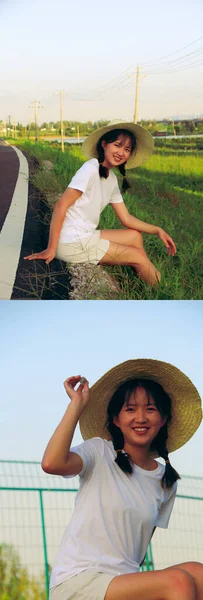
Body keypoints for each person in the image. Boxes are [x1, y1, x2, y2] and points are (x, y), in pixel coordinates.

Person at [42, 358, 203, 600]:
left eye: (150, 409)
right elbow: (51, 463)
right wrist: (77, 405)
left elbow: (136, 553)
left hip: (122, 582)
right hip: (79, 582)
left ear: (164, 419)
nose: (140, 418)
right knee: (178, 581)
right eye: (130, 409)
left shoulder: (166, 480)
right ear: (116, 420)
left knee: (198, 573)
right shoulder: (99, 452)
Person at [24, 120, 176, 286]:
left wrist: (157, 230)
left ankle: (144, 280)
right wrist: (51, 248)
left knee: (133, 236)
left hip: (84, 235)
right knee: (137, 256)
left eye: (127, 149)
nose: (121, 152)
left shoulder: (111, 179)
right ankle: (163, 291)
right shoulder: (90, 168)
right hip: (71, 242)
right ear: (104, 144)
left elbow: (126, 218)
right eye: (117, 145)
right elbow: (61, 205)